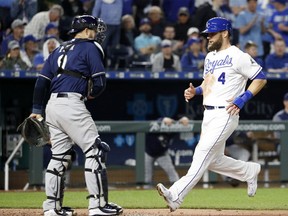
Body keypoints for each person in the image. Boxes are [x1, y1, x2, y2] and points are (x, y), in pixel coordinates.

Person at [156, 17, 267, 212]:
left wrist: (243, 97)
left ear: (224, 33)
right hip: (208, 114)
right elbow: (209, 83)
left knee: (201, 153)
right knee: (213, 160)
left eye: (211, 34)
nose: (208, 37)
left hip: (226, 113)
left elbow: (260, 78)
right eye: (207, 34)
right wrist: (196, 91)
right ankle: (249, 171)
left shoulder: (237, 55)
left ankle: (176, 195)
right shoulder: (210, 57)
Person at [28, 15, 122, 216]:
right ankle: (97, 206)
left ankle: (52, 208)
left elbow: (41, 82)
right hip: (71, 103)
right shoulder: (91, 46)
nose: (96, 33)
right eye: (95, 29)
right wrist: (91, 93)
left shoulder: (58, 49)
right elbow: (100, 82)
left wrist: (36, 110)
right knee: (95, 151)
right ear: (87, 30)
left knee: (59, 156)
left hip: (51, 106)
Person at [144, 117, 182, 189]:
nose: (169, 126)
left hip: (162, 154)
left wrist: (183, 119)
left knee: (171, 172)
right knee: (147, 177)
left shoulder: (172, 131)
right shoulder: (157, 126)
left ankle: (178, 190)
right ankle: (146, 193)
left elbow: (181, 123)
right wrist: (163, 119)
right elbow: (155, 122)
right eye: (167, 124)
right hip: (148, 153)